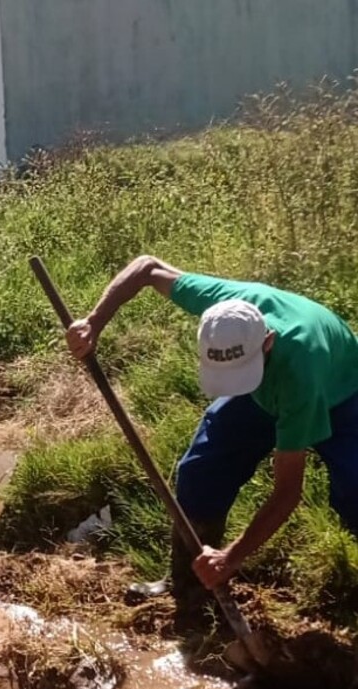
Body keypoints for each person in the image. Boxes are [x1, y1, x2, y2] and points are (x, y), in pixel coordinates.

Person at [66, 255, 358, 610]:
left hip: (342, 394)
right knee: (203, 470)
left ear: (266, 342)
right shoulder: (221, 308)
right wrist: (94, 323)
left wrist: (232, 556)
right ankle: (189, 589)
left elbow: (287, 492)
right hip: (263, 389)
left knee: (354, 490)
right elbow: (145, 268)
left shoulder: (301, 371)